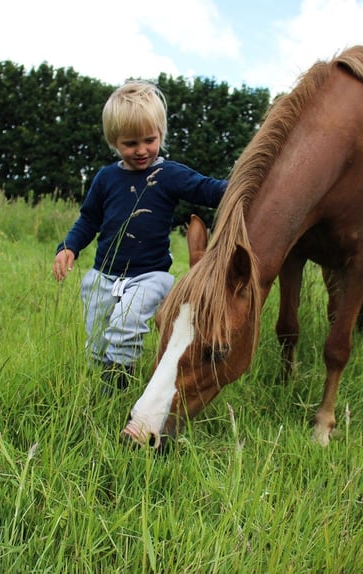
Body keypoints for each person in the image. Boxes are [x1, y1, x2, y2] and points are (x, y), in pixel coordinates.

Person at [53, 80, 227, 392]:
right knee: (98, 336)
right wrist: (69, 247)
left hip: (149, 276)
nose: (142, 150)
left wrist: (246, 186)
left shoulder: (169, 174)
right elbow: (89, 219)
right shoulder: (106, 179)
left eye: (150, 139)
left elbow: (207, 189)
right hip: (103, 274)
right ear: (114, 141)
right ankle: (98, 376)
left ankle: (118, 383)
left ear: (161, 133)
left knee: (127, 324)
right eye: (130, 143)